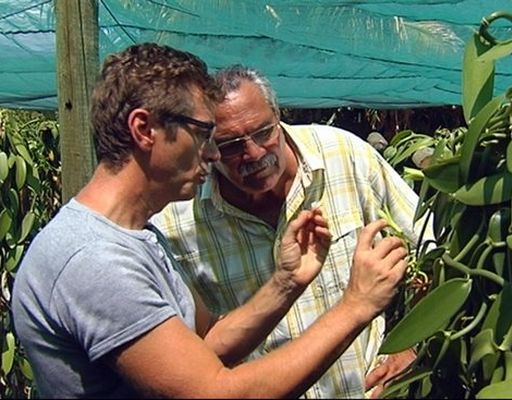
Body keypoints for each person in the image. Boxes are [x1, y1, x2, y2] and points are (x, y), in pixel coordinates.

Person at [11, 43, 410, 398]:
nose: (216, 155)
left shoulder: (136, 237)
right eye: (205, 134)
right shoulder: (94, 262)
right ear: (144, 129)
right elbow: (213, 389)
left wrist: (286, 282)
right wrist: (356, 306)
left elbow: (206, 343)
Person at [153, 65, 433, 398]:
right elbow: (192, 355)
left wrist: (412, 343)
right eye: (231, 146)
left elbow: (433, 246)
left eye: (263, 133)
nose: (254, 154)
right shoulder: (177, 225)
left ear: (277, 115)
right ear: (207, 147)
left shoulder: (345, 157)